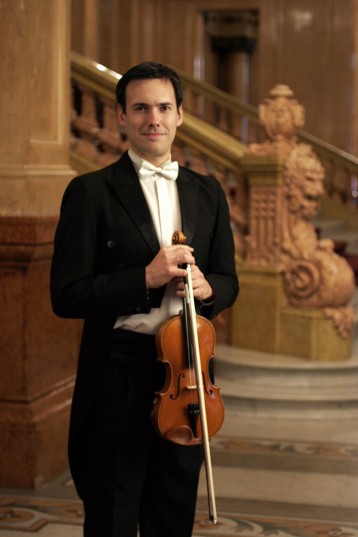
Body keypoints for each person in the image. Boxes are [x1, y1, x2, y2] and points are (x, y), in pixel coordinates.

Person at [50, 61, 239, 537]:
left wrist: (209, 287)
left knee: (172, 517)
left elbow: (229, 278)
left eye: (162, 107)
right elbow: (66, 295)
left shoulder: (208, 191)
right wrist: (146, 277)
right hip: (119, 376)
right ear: (120, 116)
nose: (152, 118)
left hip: (189, 376)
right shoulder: (89, 192)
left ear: (179, 116)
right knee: (112, 516)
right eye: (140, 108)